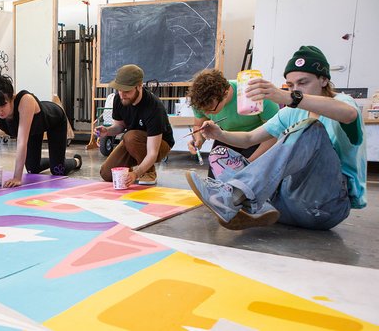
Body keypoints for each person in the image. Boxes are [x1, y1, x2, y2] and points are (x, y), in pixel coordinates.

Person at [185, 46, 367, 231]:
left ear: (324, 80)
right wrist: (219, 134)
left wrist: (287, 96)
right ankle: (257, 208)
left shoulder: (343, 103)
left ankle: (236, 196)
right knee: (220, 153)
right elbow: (250, 137)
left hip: (323, 207)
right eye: (290, 85)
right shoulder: (290, 112)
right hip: (284, 207)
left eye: (303, 83)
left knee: (311, 128)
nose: (296, 90)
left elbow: (349, 115)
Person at [0, 66, 81, 187]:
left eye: (2, 105)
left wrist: (17, 177)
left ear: (11, 98)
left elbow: (21, 143)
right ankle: (53, 159)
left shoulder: (25, 100)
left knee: (58, 170)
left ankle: (76, 161)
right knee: (32, 170)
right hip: (33, 131)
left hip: (55, 121)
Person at [187, 69, 279, 179]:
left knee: (250, 180)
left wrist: (250, 162)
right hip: (225, 135)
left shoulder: (254, 95)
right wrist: (199, 139)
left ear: (225, 94)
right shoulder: (199, 100)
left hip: (259, 138)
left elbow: (275, 133)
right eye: (203, 110)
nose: (206, 113)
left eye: (210, 109)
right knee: (216, 180)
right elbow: (198, 125)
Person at [97, 64, 174, 186]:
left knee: (130, 136)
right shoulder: (119, 99)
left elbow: (152, 152)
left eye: (126, 91)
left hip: (159, 144)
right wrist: (107, 131)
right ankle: (136, 169)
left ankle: (149, 172)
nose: (122, 94)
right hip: (132, 142)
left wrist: (136, 174)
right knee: (107, 174)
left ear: (139, 86)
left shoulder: (154, 107)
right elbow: (119, 126)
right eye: (119, 89)